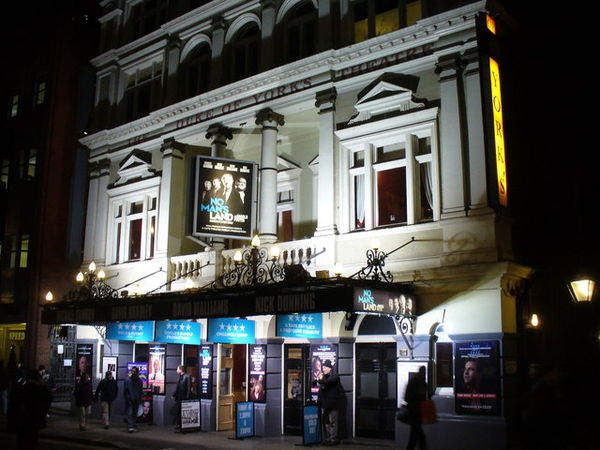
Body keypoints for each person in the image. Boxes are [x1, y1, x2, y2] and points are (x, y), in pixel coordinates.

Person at [7, 368, 52, 450]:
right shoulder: (40, 390)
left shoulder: (20, 388)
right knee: (32, 443)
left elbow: (12, 405)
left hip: (22, 422)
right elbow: (48, 398)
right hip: (34, 423)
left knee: (21, 444)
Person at [316, 360, 344, 446]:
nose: (323, 369)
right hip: (325, 404)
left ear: (329, 368)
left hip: (333, 404)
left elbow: (326, 383)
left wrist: (319, 379)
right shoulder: (325, 377)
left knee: (333, 422)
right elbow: (322, 389)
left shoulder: (335, 376)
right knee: (326, 422)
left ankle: (334, 439)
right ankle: (328, 438)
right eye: (323, 367)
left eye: (324, 367)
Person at [404, 366, 427, 450]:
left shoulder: (415, 381)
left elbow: (406, 396)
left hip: (414, 411)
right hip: (415, 412)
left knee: (416, 433)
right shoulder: (420, 382)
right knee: (416, 433)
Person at [124, 366, 143, 433]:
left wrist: (140, 399)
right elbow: (125, 390)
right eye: (132, 371)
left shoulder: (139, 381)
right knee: (129, 413)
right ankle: (130, 426)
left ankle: (133, 425)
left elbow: (141, 391)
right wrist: (127, 398)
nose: (133, 372)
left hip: (136, 399)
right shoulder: (128, 380)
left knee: (135, 413)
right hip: (130, 399)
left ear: (137, 372)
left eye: (134, 371)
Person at [173, 365, 191, 430]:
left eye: (177, 369)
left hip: (184, 397)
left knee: (183, 411)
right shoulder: (179, 377)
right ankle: (179, 424)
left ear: (181, 370)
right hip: (179, 397)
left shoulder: (187, 376)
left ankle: (183, 425)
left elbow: (189, 387)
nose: (176, 371)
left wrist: (187, 397)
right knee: (178, 411)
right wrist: (174, 395)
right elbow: (177, 387)